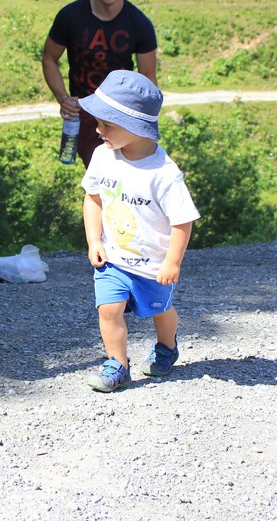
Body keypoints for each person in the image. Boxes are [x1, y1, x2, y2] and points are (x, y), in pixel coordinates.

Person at [79, 70, 200, 392]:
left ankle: (167, 346)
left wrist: (172, 262)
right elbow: (93, 198)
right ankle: (117, 365)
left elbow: (182, 220)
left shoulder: (164, 174)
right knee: (109, 309)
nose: (98, 130)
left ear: (133, 126)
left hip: (152, 266)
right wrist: (93, 240)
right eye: (98, 122)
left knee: (161, 310)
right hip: (113, 259)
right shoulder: (102, 156)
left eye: (107, 125)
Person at [42, 0, 158, 167]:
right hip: (85, 111)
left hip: (121, 112)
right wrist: (63, 99)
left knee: (129, 170)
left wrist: (145, 124)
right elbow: (49, 58)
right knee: (98, 171)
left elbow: (148, 79)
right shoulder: (70, 16)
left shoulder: (139, 23)